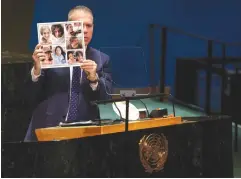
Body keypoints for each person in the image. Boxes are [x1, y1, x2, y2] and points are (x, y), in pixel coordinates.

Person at [25, 5, 112, 141]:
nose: (84, 30)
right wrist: (36, 70)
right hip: (47, 129)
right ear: (67, 27)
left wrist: (94, 79)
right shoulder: (49, 53)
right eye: (79, 25)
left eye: (89, 26)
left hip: (83, 134)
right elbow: (30, 95)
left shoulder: (102, 59)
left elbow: (106, 99)